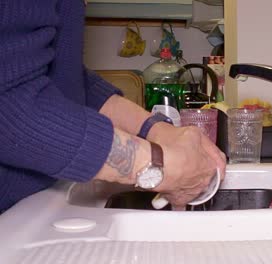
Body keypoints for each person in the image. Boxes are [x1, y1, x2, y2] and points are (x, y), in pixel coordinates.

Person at [0, 0, 226, 213]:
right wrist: (157, 165)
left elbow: (65, 79)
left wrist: (157, 130)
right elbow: (10, 105)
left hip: (29, 206)